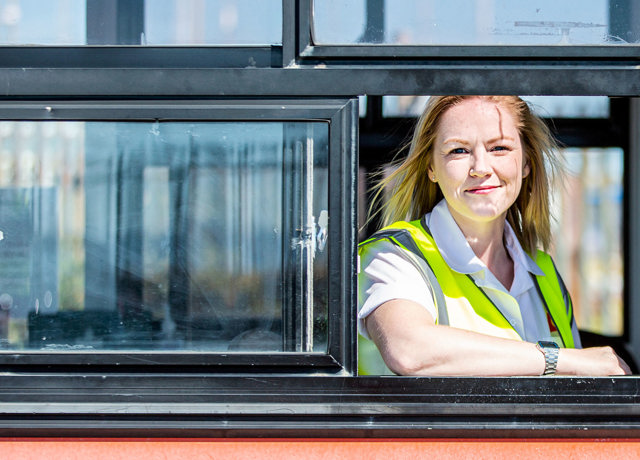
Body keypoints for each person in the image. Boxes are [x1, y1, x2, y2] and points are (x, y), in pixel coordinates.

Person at [358, 96, 631, 377]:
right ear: (431, 168)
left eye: (499, 148)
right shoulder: (394, 256)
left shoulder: (546, 276)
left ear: (526, 163)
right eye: (459, 150)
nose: (481, 167)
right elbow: (408, 351)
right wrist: (559, 359)